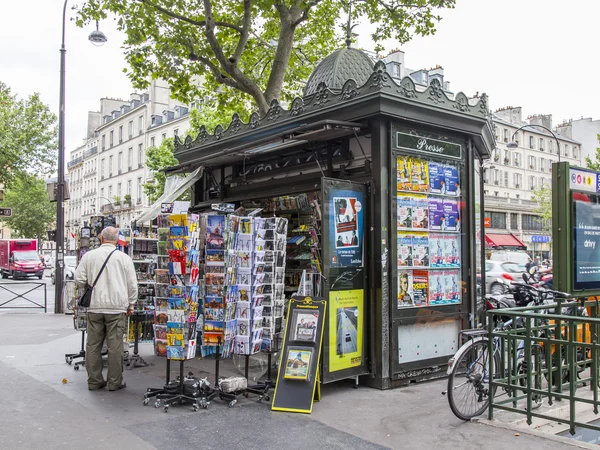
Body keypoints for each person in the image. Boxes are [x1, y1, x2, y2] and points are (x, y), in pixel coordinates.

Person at [75, 227, 138, 391]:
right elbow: (132, 285)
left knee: (93, 345)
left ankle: (94, 380)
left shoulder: (89, 256)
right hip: (117, 308)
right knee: (115, 346)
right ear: (117, 241)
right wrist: (131, 304)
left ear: (101, 239)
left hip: (95, 306)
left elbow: (79, 278)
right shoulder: (124, 258)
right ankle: (114, 381)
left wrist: (91, 284)